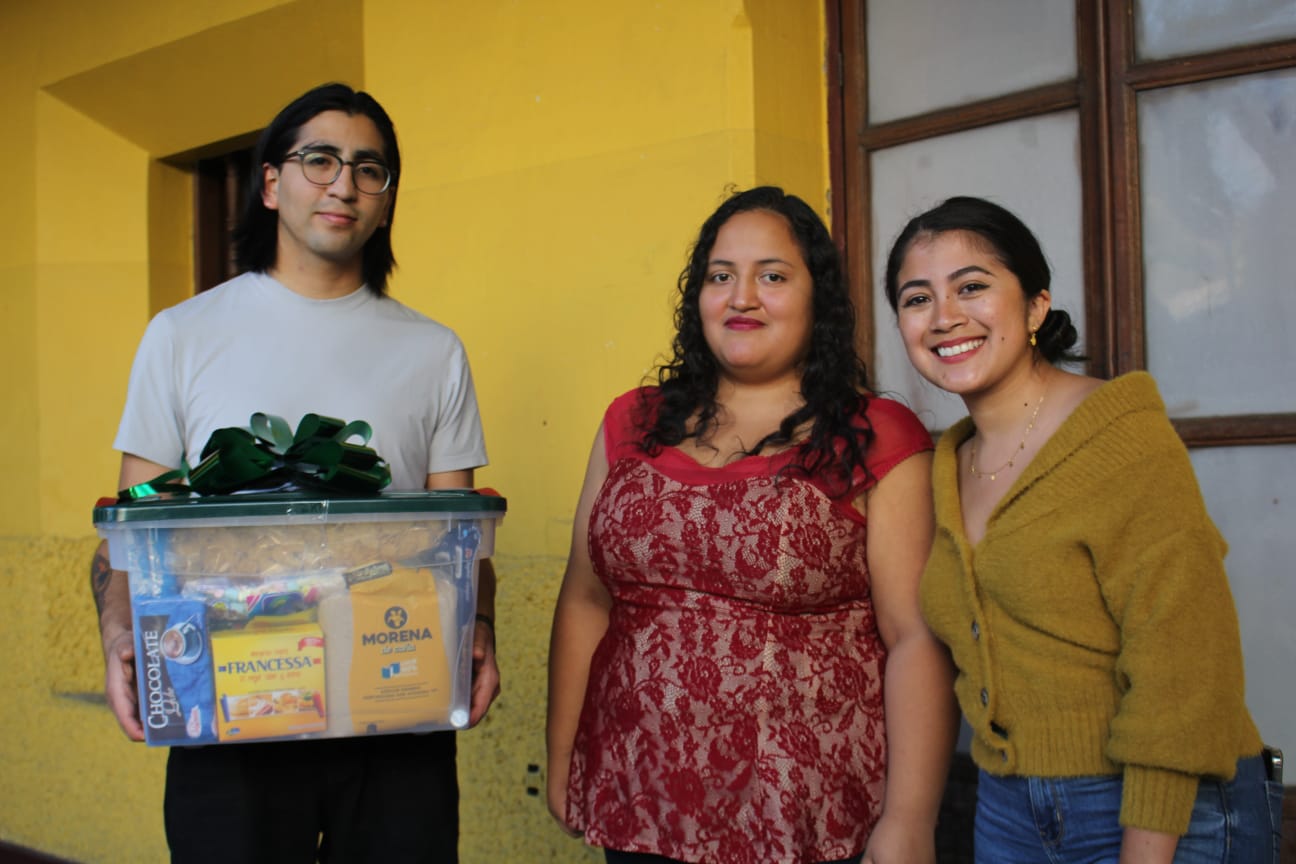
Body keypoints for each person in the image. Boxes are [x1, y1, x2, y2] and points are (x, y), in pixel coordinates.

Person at [90, 82, 500, 864]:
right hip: (229, 700)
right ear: (272, 184)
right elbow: (133, 532)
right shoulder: (182, 335)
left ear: (385, 200)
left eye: (368, 168)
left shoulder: (434, 350)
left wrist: (479, 629)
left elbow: (463, 542)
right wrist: (118, 633)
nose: (344, 183)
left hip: (394, 706)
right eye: (320, 160)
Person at [546, 186, 958, 864]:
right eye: (720, 276)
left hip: (805, 809)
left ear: (816, 298)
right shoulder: (632, 421)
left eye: (772, 276)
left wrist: (910, 818)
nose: (742, 298)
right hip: (636, 792)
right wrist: (563, 753)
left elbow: (914, 637)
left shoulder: (877, 435)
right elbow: (587, 599)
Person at [883, 195, 1280, 863]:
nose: (945, 317)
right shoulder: (950, 463)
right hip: (1007, 808)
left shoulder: (1118, 436)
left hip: (1158, 811)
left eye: (972, 287)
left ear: (1036, 305)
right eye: (916, 299)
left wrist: (1147, 847)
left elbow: (1184, 666)